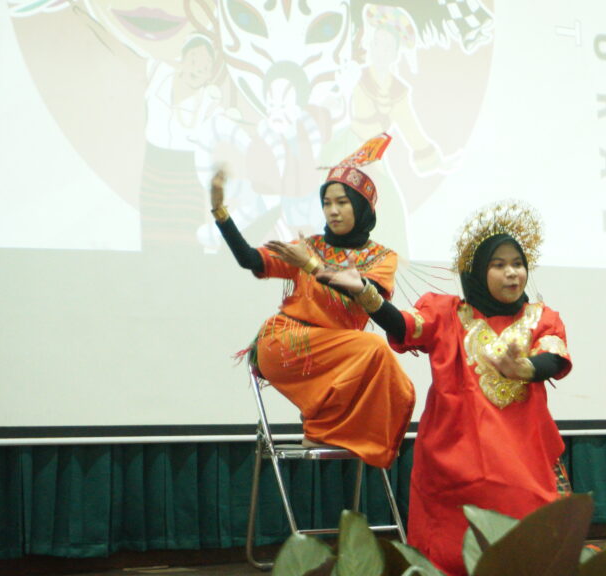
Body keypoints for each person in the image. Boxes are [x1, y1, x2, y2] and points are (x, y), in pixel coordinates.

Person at [316, 200, 572, 575]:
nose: (511, 273)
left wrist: (525, 367)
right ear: (476, 271)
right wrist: (365, 293)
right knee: (450, 554)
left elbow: (553, 357)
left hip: (523, 456)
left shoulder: (541, 318)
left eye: (517, 263)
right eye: (498, 265)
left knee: (527, 552)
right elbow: (403, 325)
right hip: (455, 457)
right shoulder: (447, 313)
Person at [209, 134, 414, 469]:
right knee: (373, 349)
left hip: (338, 352)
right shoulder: (310, 246)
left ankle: (338, 432)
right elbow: (250, 259)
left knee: (378, 363)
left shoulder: (382, 257)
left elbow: (365, 296)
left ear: (362, 206)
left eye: (342, 202)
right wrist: (220, 212)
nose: (332, 211)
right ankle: (322, 429)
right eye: (327, 203)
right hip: (286, 340)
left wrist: (312, 266)